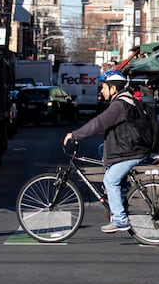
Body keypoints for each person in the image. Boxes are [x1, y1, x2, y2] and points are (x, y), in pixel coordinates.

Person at [63, 71, 149, 233]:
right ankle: (122, 188)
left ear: (113, 88)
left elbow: (99, 123)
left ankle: (120, 220)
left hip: (131, 151)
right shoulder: (124, 100)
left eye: (104, 87)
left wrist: (76, 135)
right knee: (102, 149)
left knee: (110, 181)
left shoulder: (119, 105)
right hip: (129, 147)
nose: (101, 91)